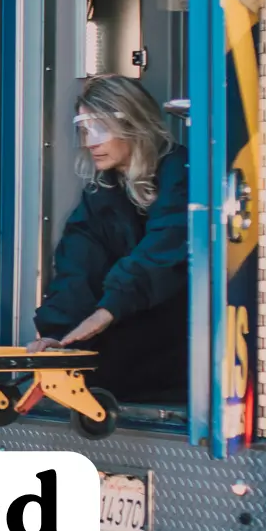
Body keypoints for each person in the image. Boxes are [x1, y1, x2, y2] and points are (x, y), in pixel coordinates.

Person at [28, 75, 189, 403]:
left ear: (134, 122)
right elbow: (76, 267)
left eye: (99, 128)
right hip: (130, 364)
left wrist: (106, 312)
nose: (90, 142)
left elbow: (164, 251)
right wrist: (58, 336)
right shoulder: (103, 193)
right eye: (84, 130)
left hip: (179, 359)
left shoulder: (181, 172)